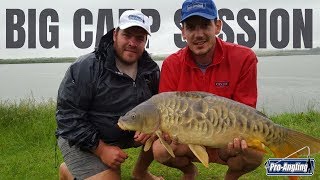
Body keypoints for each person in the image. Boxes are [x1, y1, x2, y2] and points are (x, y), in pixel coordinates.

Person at [152, 0, 264, 179]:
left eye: (205, 25)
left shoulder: (244, 57)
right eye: (190, 27)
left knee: (254, 154)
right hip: (188, 141)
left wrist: (236, 138)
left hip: (226, 141)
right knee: (160, 150)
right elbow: (165, 111)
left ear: (217, 26)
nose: (198, 34)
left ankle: (231, 176)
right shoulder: (171, 64)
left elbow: (246, 110)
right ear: (183, 32)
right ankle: (189, 171)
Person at [55, 10, 161, 180]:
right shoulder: (86, 67)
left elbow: (159, 108)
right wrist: (101, 150)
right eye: (127, 35)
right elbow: (68, 118)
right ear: (115, 35)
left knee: (164, 133)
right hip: (84, 138)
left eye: (140, 38)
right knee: (110, 177)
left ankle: (140, 173)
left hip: (127, 132)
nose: (133, 43)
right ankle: (69, 170)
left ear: (145, 41)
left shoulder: (151, 70)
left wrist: (152, 128)